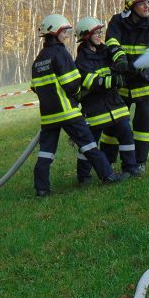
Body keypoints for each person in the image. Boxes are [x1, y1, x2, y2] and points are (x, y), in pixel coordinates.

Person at [31, 14, 129, 197]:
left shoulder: (38, 60)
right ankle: (107, 175)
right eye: (64, 32)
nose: (67, 36)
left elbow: (35, 87)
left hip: (48, 115)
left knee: (46, 152)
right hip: (68, 112)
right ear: (55, 32)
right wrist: (78, 96)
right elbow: (73, 83)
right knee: (89, 144)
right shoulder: (60, 53)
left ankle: (41, 188)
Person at [74, 16, 141, 184]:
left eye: (100, 32)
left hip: (114, 105)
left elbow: (116, 53)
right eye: (96, 33)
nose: (99, 35)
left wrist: (124, 63)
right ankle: (83, 177)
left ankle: (130, 168)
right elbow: (91, 82)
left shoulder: (105, 51)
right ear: (86, 36)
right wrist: (114, 80)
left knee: (126, 133)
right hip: (95, 109)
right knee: (89, 145)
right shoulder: (81, 61)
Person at [105, 0, 149, 175]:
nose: (147, 6)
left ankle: (139, 163)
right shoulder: (116, 22)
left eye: (148, 2)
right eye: (142, 3)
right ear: (130, 7)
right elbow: (112, 42)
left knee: (143, 123)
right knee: (113, 124)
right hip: (121, 84)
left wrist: (133, 66)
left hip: (145, 83)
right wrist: (120, 59)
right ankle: (107, 162)